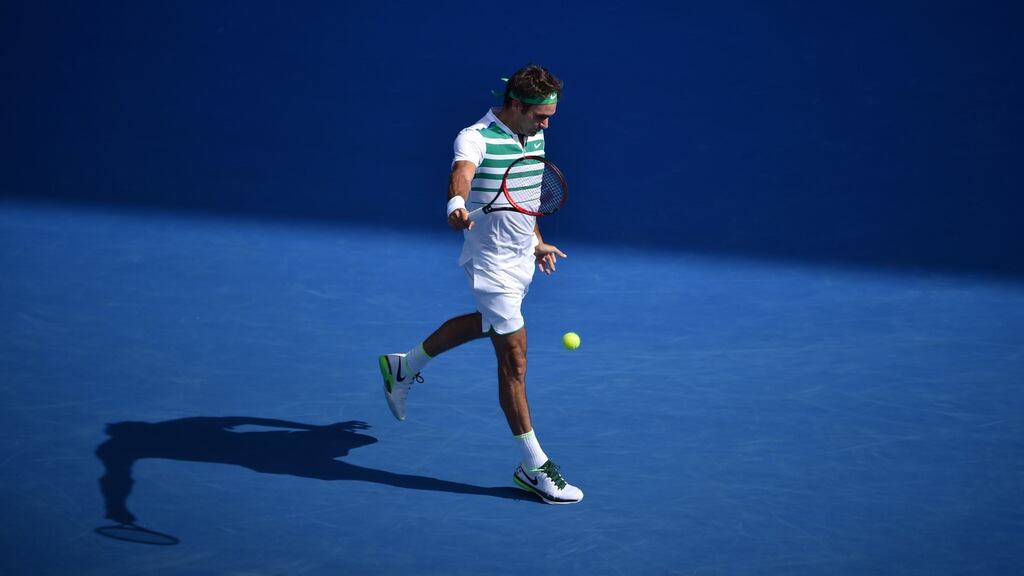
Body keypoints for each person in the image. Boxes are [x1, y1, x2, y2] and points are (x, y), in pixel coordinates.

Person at [377, 64, 583, 505]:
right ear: (514, 104)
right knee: (515, 361)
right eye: (540, 115)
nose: (547, 124)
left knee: (484, 325)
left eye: (550, 116)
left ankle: (404, 366)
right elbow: (463, 174)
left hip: (521, 259)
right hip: (491, 266)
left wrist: (537, 242)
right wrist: (455, 203)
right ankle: (534, 468)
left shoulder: (535, 135)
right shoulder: (474, 136)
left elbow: (525, 196)